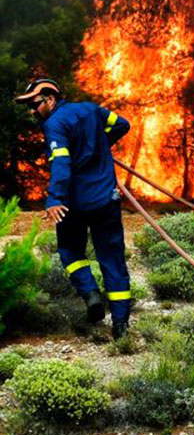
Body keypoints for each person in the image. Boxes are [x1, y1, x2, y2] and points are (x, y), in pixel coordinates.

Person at [15, 78, 133, 339]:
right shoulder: (91, 109)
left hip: (74, 205)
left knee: (69, 251)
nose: (32, 111)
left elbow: (61, 163)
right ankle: (121, 326)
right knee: (112, 259)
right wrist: (101, 145)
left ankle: (91, 295)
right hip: (106, 201)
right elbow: (122, 124)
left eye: (35, 105)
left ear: (51, 99)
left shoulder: (54, 124)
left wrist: (54, 198)